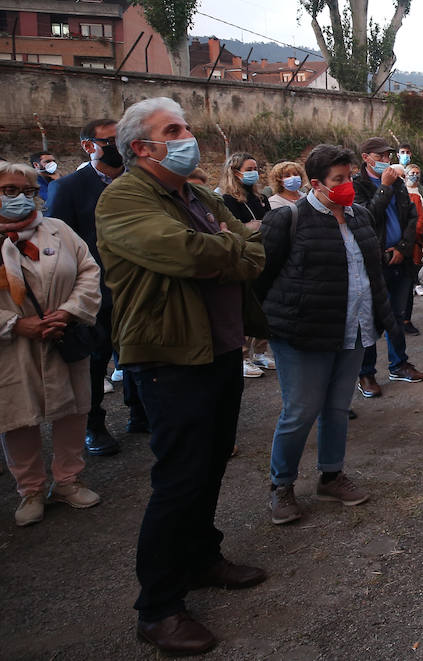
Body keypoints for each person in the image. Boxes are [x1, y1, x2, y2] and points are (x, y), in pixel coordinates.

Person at [95, 96, 268, 656]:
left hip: (218, 350)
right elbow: (188, 253)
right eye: (173, 130)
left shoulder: (195, 194)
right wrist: (233, 246)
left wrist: (231, 246)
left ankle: (201, 558)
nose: (187, 136)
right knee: (179, 478)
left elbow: (252, 246)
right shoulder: (122, 199)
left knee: (212, 461)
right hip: (168, 357)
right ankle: (159, 607)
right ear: (141, 147)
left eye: (186, 127)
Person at [256, 144, 399, 525]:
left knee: (337, 407)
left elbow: (372, 274)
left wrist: (385, 318)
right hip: (303, 334)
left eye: (350, 177)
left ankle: (331, 475)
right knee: (300, 411)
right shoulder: (289, 219)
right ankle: (281, 486)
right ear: (315, 183)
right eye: (339, 180)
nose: (347, 185)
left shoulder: (358, 218)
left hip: (353, 329)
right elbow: (262, 277)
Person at [0, 160, 103, 527]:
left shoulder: (57, 230)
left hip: (62, 333)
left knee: (73, 408)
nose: (20, 198)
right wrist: (14, 323)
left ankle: (67, 479)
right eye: (9, 190)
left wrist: (70, 311)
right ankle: (29, 488)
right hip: (11, 345)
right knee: (16, 416)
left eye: (27, 191)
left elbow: (89, 271)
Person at [45, 116, 143, 456]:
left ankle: (140, 412)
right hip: (95, 289)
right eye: (110, 141)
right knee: (96, 360)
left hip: (135, 286)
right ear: (89, 146)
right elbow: (60, 245)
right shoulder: (70, 188)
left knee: (138, 353)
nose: (119, 147)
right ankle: (95, 425)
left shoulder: (138, 181)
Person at [353, 137, 423, 397]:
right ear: (366, 157)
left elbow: (411, 217)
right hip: (375, 262)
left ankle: (399, 364)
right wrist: (383, 188)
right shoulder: (358, 185)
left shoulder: (399, 183)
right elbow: (367, 218)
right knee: (369, 318)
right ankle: (367, 373)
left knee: (397, 314)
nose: (386, 160)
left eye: (388, 156)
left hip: (400, 258)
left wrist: (403, 248)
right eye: (380, 156)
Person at [220, 153, 274, 376]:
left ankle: (260, 352)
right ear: (235, 171)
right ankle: (242, 356)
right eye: (249, 168)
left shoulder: (259, 197)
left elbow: (269, 222)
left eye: (255, 168)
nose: (254, 172)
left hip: (263, 254)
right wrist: (252, 226)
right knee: (243, 308)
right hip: (244, 258)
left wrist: (255, 225)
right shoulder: (227, 200)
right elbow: (235, 229)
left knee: (265, 306)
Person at [400, 163, 423, 334]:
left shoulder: (419, 195)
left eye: (417, 173)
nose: (413, 176)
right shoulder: (388, 196)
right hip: (398, 248)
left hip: (411, 246)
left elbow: (421, 222)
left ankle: (405, 319)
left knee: (407, 286)